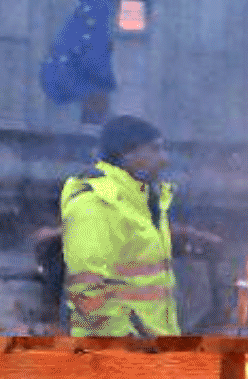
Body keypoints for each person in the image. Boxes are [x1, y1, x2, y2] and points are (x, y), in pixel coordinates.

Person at [59, 114, 181, 337]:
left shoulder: (147, 203)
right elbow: (87, 290)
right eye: (155, 149)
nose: (164, 159)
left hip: (150, 352)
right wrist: (129, 342)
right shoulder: (95, 202)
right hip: (115, 355)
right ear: (128, 153)